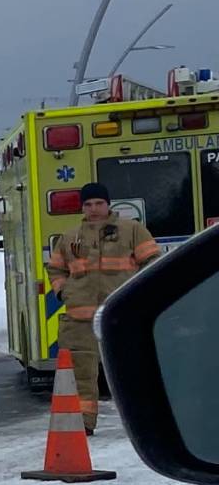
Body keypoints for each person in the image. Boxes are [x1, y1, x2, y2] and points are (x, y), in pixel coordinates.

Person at [45, 181, 163, 432]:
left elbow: (152, 262)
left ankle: (146, 426)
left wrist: (136, 295)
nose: (94, 208)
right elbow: (55, 268)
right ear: (82, 207)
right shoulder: (70, 237)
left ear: (108, 204)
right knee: (80, 377)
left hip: (120, 318)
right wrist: (63, 290)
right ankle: (82, 425)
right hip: (79, 321)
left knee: (134, 372)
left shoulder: (132, 230)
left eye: (99, 203)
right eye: (88, 204)